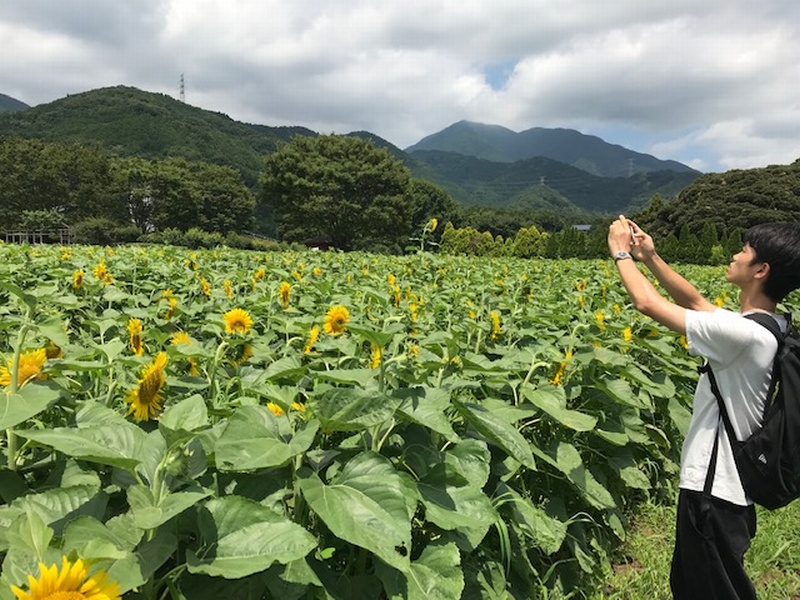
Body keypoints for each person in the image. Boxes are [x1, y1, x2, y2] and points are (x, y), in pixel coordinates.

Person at [607, 216, 800, 599]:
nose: (734, 254)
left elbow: (646, 303)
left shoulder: (742, 335)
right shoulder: (765, 325)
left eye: (744, 250)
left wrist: (620, 252)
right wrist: (651, 257)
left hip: (714, 491)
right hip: (723, 492)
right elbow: (695, 301)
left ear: (760, 270)